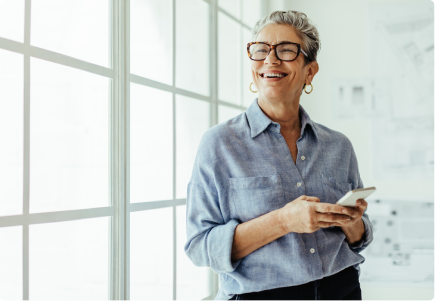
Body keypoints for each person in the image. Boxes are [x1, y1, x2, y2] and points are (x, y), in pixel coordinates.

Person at [184, 10, 373, 301]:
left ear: (310, 71)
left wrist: (351, 222)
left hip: (342, 289)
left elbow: (359, 239)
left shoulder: (339, 146)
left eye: (286, 50)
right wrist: (283, 221)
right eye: (261, 50)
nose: (270, 60)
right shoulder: (219, 144)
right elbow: (200, 247)